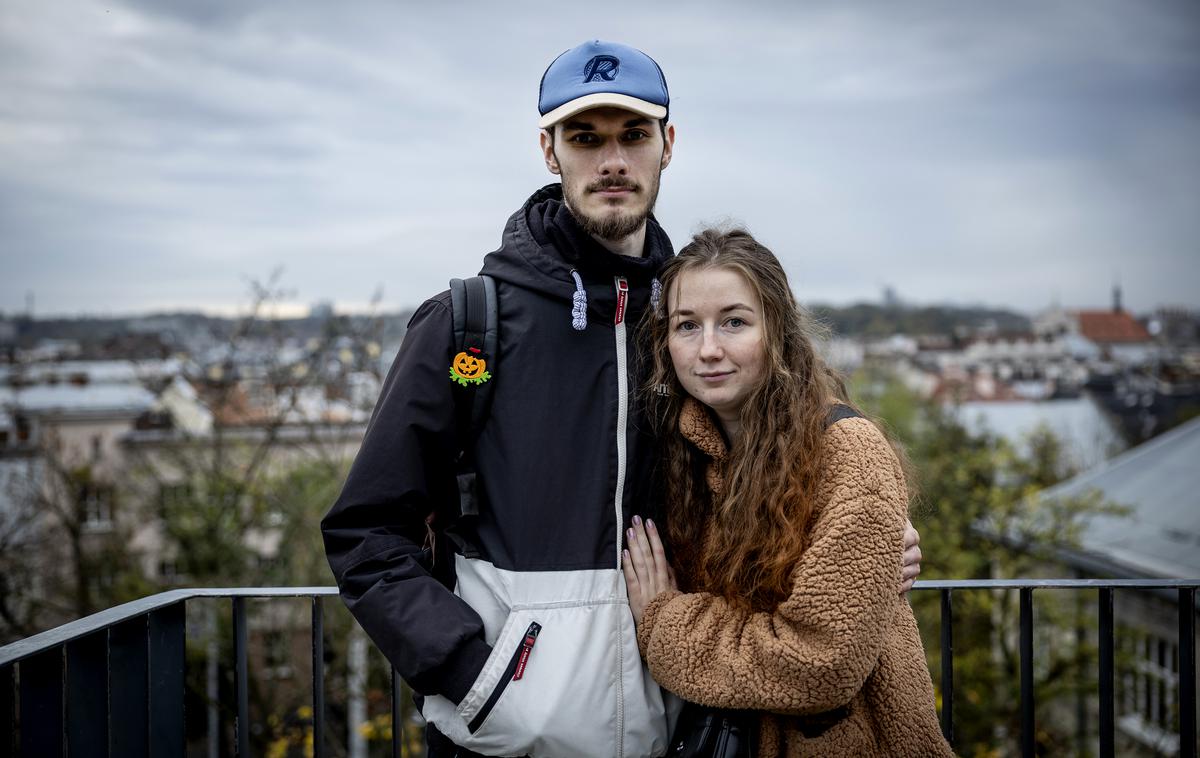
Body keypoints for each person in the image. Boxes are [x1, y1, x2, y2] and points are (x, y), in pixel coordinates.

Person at [322, 40, 923, 758]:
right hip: (503, 742)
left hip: (680, 734)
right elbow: (364, 533)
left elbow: (769, 472)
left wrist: (860, 547)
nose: (612, 161)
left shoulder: (685, 324)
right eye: (586, 138)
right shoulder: (466, 326)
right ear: (550, 151)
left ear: (668, 145)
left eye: (633, 135)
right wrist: (474, 678)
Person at [623, 228, 953, 757]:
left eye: (734, 322)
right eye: (688, 325)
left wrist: (665, 621)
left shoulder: (846, 451)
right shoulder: (680, 454)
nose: (709, 349)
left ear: (776, 330)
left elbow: (818, 666)